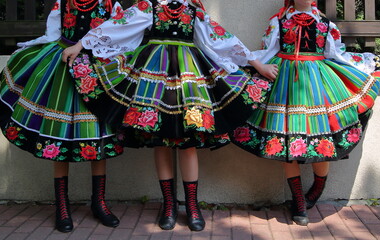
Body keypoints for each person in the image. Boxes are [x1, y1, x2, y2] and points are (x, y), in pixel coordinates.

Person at [63, 0, 278, 231]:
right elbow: (118, 26)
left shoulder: (193, 10)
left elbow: (221, 38)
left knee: (188, 142)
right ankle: (168, 204)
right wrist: (81, 45)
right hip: (152, 78)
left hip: (189, 77)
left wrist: (257, 64)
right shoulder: (149, 6)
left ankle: (192, 206)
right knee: (161, 141)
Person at [231, 0, 380, 226]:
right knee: (284, 139)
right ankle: (298, 199)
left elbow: (336, 54)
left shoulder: (325, 23)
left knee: (322, 139)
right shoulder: (279, 20)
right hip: (284, 84)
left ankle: (318, 187)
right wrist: (256, 65)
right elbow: (268, 50)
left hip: (317, 84)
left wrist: (363, 64)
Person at [0, 0, 125, 233]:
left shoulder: (110, 3)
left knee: (98, 131)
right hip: (62, 67)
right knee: (58, 132)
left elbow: (118, 32)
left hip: (96, 70)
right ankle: (62, 205)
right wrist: (30, 49)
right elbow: (52, 33)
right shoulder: (63, 2)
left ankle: (99, 201)